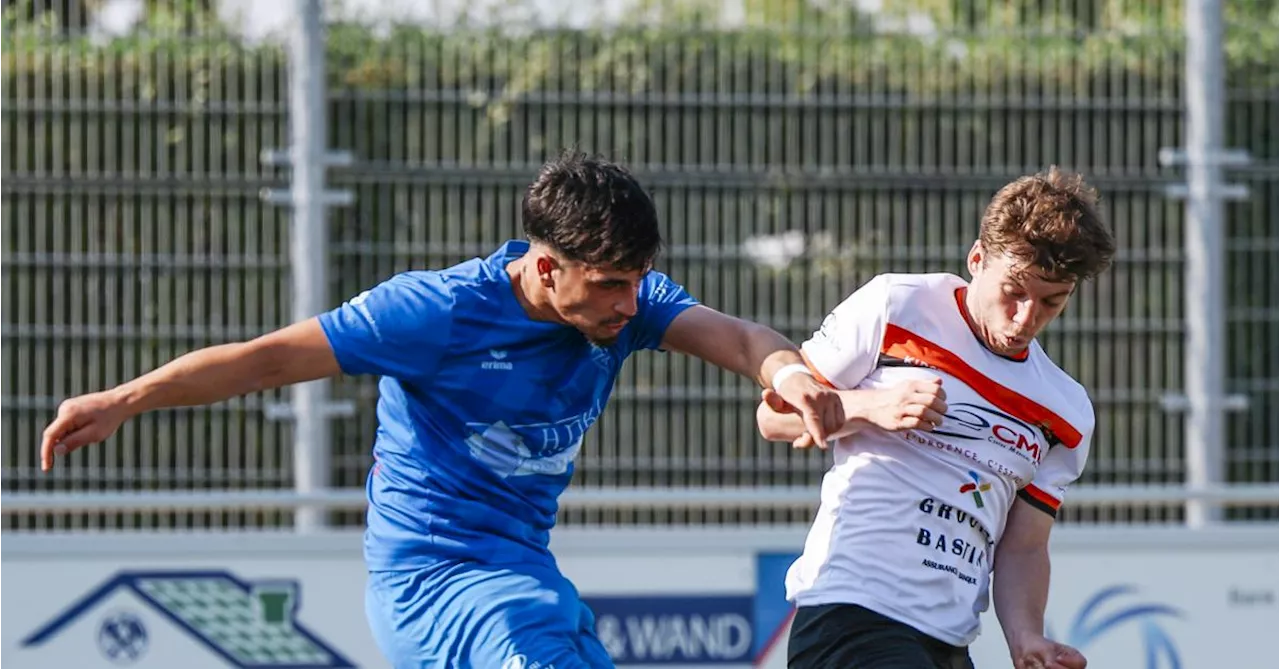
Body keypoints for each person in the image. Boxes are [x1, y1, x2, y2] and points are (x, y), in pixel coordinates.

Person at [39, 150, 845, 669]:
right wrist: (128, 396)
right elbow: (272, 358)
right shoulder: (434, 312)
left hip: (528, 580)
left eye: (638, 279)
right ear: (543, 267)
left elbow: (738, 337)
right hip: (432, 582)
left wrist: (788, 370)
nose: (630, 304)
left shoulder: (627, 307)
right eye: (608, 283)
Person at [756, 167, 1116, 669]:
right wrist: (870, 409)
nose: (1025, 317)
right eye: (1014, 291)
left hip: (948, 642)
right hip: (852, 610)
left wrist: (1027, 637)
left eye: (1051, 301)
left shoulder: (1067, 410)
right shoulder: (897, 305)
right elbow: (774, 418)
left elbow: (1025, 546)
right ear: (977, 259)